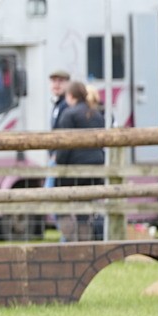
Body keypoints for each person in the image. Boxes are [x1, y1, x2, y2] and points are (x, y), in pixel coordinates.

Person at [52, 80, 105, 241]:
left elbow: (64, 145)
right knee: (85, 210)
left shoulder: (69, 114)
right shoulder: (96, 113)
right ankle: (84, 246)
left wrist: (58, 165)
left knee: (60, 206)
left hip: (73, 170)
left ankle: (70, 242)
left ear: (70, 96)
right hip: (96, 169)